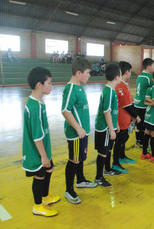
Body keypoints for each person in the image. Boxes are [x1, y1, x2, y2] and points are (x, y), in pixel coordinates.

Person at [22, 67, 59, 217]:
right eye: (49, 83)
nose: (51, 85)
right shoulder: (34, 106)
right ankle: (38, 206)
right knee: (40, 175)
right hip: (36, 151)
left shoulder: (39, 102)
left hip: (44, 148)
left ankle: (45, 197)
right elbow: (37, 136)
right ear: (39, 84)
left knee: (49, 169)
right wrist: (43, 156)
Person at [61, 57, 97, 204]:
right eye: (87, 73)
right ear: (78, 73)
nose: (89, 75)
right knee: (74, 160)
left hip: (83, 132)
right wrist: (78, 128)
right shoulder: (70, 89)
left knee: (81, 157)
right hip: (75, 133)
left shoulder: (79, 88)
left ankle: (80, 180)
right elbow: (65, 110)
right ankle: (69, 190)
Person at [94, 64, 122, 188]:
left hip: (110, 126)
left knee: (108, 149)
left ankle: (108, 169)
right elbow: (107, 112)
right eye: (120, 75)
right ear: (117, 77)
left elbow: (113, 111)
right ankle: (99, 177)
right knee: (103, 152)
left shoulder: (111, 90)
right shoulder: (109, 92)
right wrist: (111, 129)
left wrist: (116, 125)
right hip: (104, 127)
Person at [113, 61, 140, 173]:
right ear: (127, 72)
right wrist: (136, 116)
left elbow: (130, 102)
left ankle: (122, 156)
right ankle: (115, 163)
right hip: (120, 119)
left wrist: (133, 115)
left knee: (124, 138)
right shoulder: (120, 86)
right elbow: (127, 105)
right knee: (119, 140)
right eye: (130, 72)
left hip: (126, 118)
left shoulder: (125, 85)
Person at [133, 58, 154, 148]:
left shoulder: (139, 76)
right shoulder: (149, 77)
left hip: (137, 103)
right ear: (149, 67)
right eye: (153, 66)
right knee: (143, 125)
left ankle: (138, 141)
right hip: (143, 104)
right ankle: (141, 142)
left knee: (138, 124)